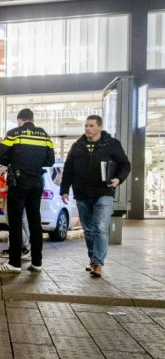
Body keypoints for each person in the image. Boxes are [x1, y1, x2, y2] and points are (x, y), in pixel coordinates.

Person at [60, 115, 131, 278]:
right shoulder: (77, 146)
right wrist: (64, 189)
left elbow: (125, 164)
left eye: (91, 126)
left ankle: (98, 263)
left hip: (104, 192)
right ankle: (93, 259)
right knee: (88, 230)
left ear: (99, 127)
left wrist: (118, 179)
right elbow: (68, 168)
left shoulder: (112, 144)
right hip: (82, 194)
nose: (88, 129)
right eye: (86, 126)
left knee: (99, 227)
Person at [0, 108, 55, 273]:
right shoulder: (44, 135)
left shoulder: (15, 133)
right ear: (32, 119)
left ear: (20, 120)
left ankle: (14, 263)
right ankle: (37, 263)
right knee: (35, 221)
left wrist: (14, 160)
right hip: (37, 182)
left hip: (18, 182)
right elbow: (50, 161)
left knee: (15, 222)